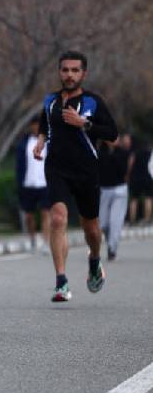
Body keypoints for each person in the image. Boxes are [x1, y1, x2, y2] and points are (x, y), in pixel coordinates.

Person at [34, 51, 117, 302]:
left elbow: (112, 134)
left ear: (83, 73)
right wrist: (39, 143)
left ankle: (94, 259)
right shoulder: (50, 101)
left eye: (74, 70)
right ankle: (61, 282)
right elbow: (44, 124)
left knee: (90, 227)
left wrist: (85, 124)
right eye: (65, 70)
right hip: (56, 168)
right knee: (57, 219)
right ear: (59, 72)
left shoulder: (94, 102)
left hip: (85, 171)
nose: (69, 75)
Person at [15, 116, 51, 252]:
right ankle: (33, 239)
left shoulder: (49, 143)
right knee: (29, 216)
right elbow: (18, 166)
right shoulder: (24, 144)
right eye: (34, 125)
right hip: (28, 184)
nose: (36, 128)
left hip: (45, 183)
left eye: (39, 125)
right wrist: (19, 183)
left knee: (46, 213)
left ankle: (46, 242)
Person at [98, 135, 133, 260]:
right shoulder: (100, 152)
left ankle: (112, 249)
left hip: (119, 190)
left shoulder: (123, 153)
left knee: (115, 222)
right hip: (104, 190)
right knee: (103, 223)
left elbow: (123, 170)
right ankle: (110, 242)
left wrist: (114, 153)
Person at [128, 138, 152, 225]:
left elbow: (130, 163)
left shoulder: (135, 152)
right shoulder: (150, 153)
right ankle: (147, 220)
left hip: (136, 178)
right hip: (147, 177)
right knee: (148, 198)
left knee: (134, 199)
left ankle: (132, 221)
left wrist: (128, 174)